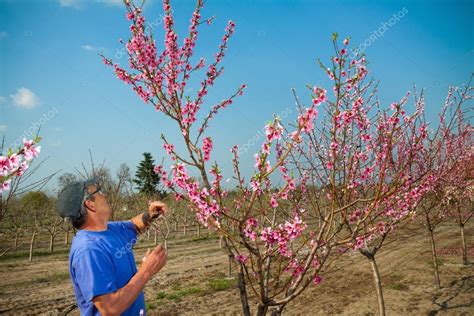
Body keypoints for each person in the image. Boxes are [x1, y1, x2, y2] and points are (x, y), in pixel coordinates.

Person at [57, 176, 168, 315]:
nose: (106, 195)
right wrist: (147, 271)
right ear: (90, 204)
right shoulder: (88, 250)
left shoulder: (109, 230)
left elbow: (134, 225)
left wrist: (150, 214)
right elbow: (110, 308)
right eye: (99, 192)